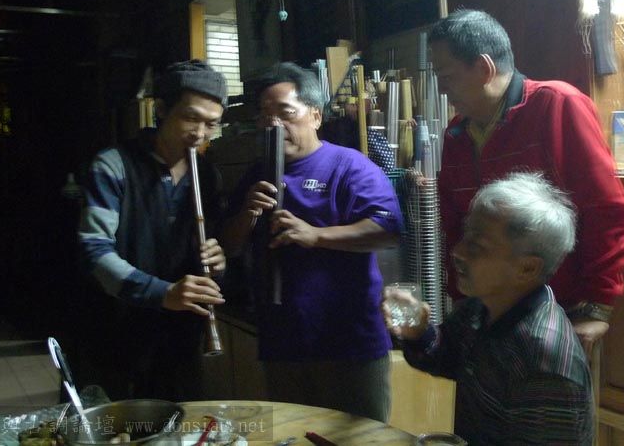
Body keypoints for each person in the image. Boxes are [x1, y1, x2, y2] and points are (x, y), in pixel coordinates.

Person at [431, 9, 624, 353]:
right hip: (488, 310)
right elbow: (455, 225)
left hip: (561, 312)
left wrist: (598, 305)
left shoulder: (557, 105)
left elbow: (607, 210)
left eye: (446, 76)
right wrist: (461, 295)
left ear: (484, 68)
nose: (442, 88)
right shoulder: (456, 134)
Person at [221, 62, 403, 422]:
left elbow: (389, 229)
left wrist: (315, 235)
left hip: (349, 345)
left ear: (315, 116)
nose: (274, 123)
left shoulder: (349, 165)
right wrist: (247, 214)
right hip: (282, 343)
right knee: (293, 438)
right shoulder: (257, 174)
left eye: (285, 112)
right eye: (265, 115)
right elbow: (227, 245)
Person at [384, 172, 593, 445]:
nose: (457, 251)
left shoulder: (543, 361)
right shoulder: (481, 306)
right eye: (465, 237)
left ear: (527, 268)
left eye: (477, 246)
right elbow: (449, 357)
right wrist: (419, 333)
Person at [77, 59, 228, 401]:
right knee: (113, 425)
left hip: (177, 339)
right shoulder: (113, 165)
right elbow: (93, 251)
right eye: (191, 118)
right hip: (114, 330)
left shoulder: (207, 175)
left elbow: (206, 252)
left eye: (211, 124)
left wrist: (218, 263)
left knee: (179, 422)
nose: (200, 133)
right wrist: (162, 293)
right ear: (161, 109)